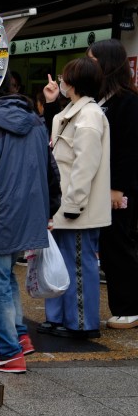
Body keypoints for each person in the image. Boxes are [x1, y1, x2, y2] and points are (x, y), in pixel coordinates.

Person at [0, 78, 60, 373]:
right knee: (6, 279)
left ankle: (7, 352)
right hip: (28, 215)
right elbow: (51, 169)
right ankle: (20, 338)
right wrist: (50, 209)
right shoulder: (36, 123)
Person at [40, 60, 111, 340]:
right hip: (66, 204)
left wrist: (73, 204)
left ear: (74, 82)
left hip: (76, 207)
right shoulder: (73, 112)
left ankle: (81, 322)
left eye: (64, 77)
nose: (61, 81)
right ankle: (59, 318)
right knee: (63, 262)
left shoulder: (89, 115)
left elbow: (86, 165)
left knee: (77, 264)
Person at [88, 39, 138, 329]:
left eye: (92, 60)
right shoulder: (99, 99)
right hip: (99, 186)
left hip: (118, 188)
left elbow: (129, 150)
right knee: (109, 246)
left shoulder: (128, 102)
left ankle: (129, 307)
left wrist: (117, 188)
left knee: (119, 244)